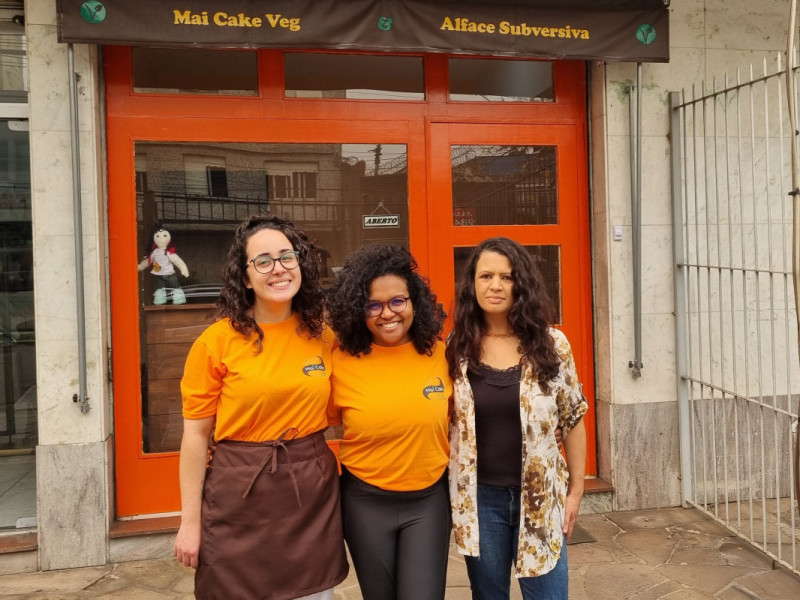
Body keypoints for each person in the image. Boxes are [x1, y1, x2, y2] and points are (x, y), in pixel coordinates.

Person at [174, 215, 348, 600]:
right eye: (263, 261)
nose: (279, 269)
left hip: (310, 492)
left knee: (313, 594)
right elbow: (196, 435)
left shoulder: (324, 336)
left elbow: (354, 409)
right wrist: (190, 521)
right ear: (245, 276)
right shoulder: (215, 342)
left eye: (287, 256)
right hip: (238, 493)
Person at [446, 236, 588, 600]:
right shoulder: (455, 347)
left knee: (549, 595)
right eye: (485, 276)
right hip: (481, 501)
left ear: (520, 283)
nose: (495, 286)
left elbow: (573, 417)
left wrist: (574, 493)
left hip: (541, 497)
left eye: (506, 277)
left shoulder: (552, 344)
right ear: (472, 284)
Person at [326, 244, 452, 600]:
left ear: (414, 302)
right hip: (365, 502)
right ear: (358, 310)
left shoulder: (440, 355)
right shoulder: (341, 361)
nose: (387, 314)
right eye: (373, 305)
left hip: (428, 501)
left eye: (398, 301)